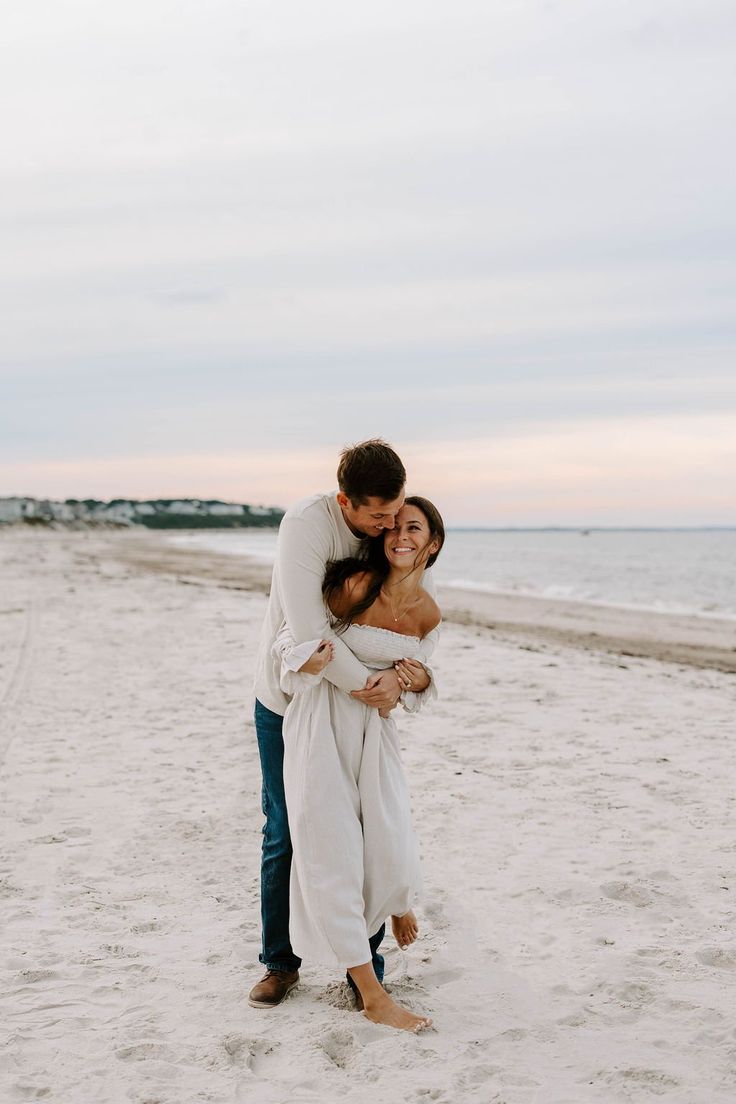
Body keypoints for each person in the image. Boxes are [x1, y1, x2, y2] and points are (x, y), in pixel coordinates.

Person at [250, 441, 435, 1010]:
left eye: (395, 513)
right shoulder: (307, 526)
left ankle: (365, 970)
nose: (386, 528)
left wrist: (407, 681)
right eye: (376, 516)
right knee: (287, 832)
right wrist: (374, 687)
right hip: (289, 701)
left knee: (367, 833)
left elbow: (416, 638)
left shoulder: (394, 540)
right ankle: (280, 963)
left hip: (364, 721)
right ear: (344, 502)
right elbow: (308, 633)